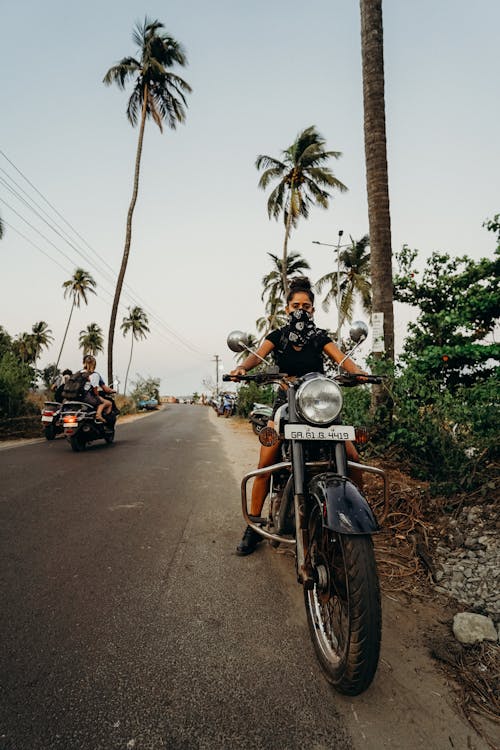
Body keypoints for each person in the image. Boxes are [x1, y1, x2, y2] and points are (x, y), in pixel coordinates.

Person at [230, 276, 367, 556]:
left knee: (353, 456)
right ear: (286, 309)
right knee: (267, 461)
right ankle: (253, 524)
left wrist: (358, 372)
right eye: (295, 305)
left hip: (317, 404)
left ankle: (357, 514)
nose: (300, 309)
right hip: (286, 402)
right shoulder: (277, 336)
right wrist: (242, 368)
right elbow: (256, 355)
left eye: (306, 305)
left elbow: (341, 358)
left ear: (313, 310)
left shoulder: (319, 337)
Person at [81, 355, 114, 422]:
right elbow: (95, 390)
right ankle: (99, 415)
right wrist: (112, 391)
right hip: (88, 397)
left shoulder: (79, 373)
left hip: (79, 397)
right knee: (108, 403)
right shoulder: (94, 375)